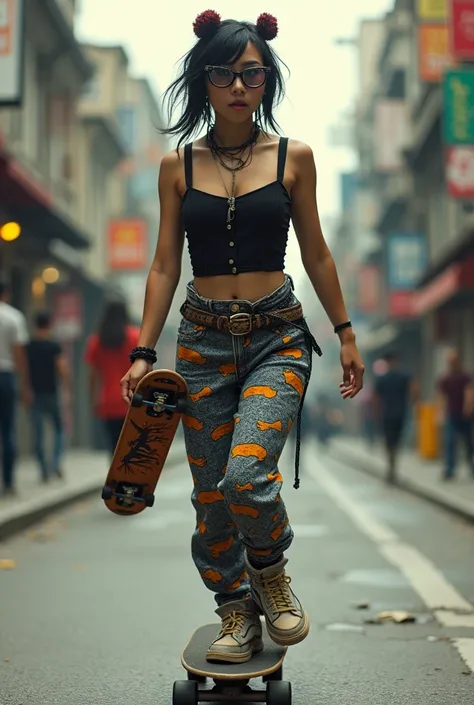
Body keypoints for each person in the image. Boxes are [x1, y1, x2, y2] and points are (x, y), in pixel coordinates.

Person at [119, 11, 364, 664]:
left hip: (275, 339)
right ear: (205, 80)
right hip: (199, 348)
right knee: (209, 499)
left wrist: (344, 333)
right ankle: (236, 614)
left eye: (251, 73)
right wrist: (145, 350)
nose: (237, 85)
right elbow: (166, 263)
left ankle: (272, 575)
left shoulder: (294, 158)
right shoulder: (179, 165)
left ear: (266, 80)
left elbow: (317, 254)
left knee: (247, 474)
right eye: (224, 72)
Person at [85, 299, 140, 454]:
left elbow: (93, 376)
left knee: (114, 450)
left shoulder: (96, 341)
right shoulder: (135, 337)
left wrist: (93, 401)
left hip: (107, 402)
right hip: (132, 401)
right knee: (132, 450)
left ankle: (116, 478)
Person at [26, 311, 70, 481]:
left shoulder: (29, 346)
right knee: (59, 428)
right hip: (52, 392)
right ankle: (56, 462)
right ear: (49, 325)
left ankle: (43, 469)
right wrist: (67, 390)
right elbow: (62, 369)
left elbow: (23, 370)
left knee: (38, 433)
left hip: (34, 393)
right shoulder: (54, 346)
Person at [0, 277, 30, 496]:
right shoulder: (13, 317)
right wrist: (25, 384)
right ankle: (8, 482)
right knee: (7, 429)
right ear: (7, 293)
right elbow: (19, 354)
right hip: (6, 376)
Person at [374, 351, 417, 484]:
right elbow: (414, 390)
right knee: (392, 443)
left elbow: (413, 390)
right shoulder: (394, 377)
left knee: (393, 443)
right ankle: (392, 469)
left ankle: (392, 469)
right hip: (394, 414)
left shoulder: (390, 377)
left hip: (394, 414)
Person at [436, 348, 474, 481]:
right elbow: (441, 396)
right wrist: (440, 413)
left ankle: (471, 466)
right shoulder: (445, 378)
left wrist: (468, 407)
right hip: (452, 414)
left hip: (466, 415)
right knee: (450, 442)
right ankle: (450, 469)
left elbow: (470, 392)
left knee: (469, 443)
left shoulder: (465, 376)